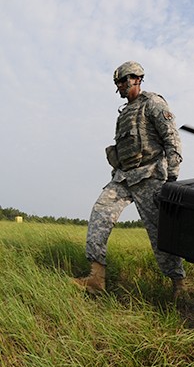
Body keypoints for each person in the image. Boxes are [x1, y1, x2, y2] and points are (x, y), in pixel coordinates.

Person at [73, 61, 186, 297]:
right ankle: (96, 279)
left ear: (135, 79)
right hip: (123, 178)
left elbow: (172, 141)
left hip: (150, 178)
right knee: (99, 214)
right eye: (117, 83)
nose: (119, 87)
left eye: (122, 82)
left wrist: (171, 180)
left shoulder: (153, 103)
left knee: (159, 234)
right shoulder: (124, 113)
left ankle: (179, 285)